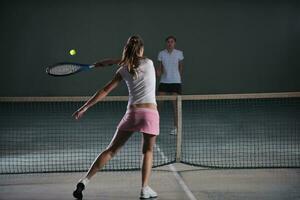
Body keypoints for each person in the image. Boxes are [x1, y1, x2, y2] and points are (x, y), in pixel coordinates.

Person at [72, 35, 159, 200]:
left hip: (132, 114)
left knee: (111, 150)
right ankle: (144, 189)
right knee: (147, 150)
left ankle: (84, 181)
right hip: (150, 114)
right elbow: (133, 60)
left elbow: (104, 91)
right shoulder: (148, 63)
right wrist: (111, 61)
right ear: (141, 49)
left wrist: (84, 107)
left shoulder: (123, 70)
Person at [156, 35, 184, 135]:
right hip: (164, 82)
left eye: (172, 42)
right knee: (158, 105)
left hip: (176, 83)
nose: (170, 43)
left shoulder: (179, 53)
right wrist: (158, 72)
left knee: (175, 106)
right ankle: (155, 127)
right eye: (168, 42)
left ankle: (176, 128)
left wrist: (177, 78)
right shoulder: (161, 54)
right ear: (166, 43)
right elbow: (160, 69)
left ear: (174, 43)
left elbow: (181, 67)